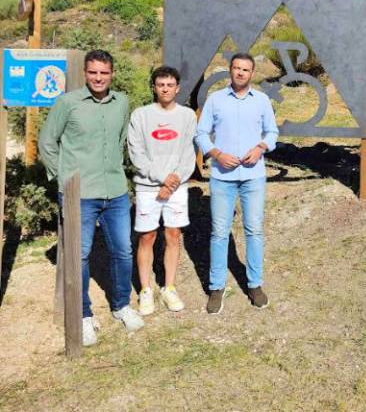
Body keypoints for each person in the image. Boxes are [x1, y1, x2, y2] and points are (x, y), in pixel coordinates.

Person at [39, 49, 144, 346]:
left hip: (116, 191)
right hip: (79, 196)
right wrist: (64, 180)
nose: (99, 78)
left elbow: (121, 137)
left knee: (123, 251)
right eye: (93, 72)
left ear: (112, 74)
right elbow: (47, 142)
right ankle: (83, 315)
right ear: (85, 73)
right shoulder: (67, 103)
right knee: (80, 255)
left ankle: (121, 305)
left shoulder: (121, 102)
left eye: (104, 72)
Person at [195, 53, 279, 315]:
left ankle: (254, 284)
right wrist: (217, 154)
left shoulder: (262, 100)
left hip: (253, 176)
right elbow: (201, 134)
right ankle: (216, 287)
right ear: (230, 70)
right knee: (219, 233)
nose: (241, 73)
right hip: (222, 177)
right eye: (237, 68)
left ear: (252, 73)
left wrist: (261, 147)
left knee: (254, 230)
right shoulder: (216, 100)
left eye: (246, 69)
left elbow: (273, 132)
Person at [127, 66, 197, 315]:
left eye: (170, 85)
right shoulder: (141, 115)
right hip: (148, 186)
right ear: (154, 87)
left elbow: (189, 153)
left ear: (177, 88)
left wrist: (174, 181)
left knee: (173, 235)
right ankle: (146, 290)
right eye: (161, 85)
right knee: (147, 237)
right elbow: (137, 153)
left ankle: (169, 287)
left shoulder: (188, 115)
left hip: (177, 186)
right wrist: (161, 180)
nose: (165, 89)